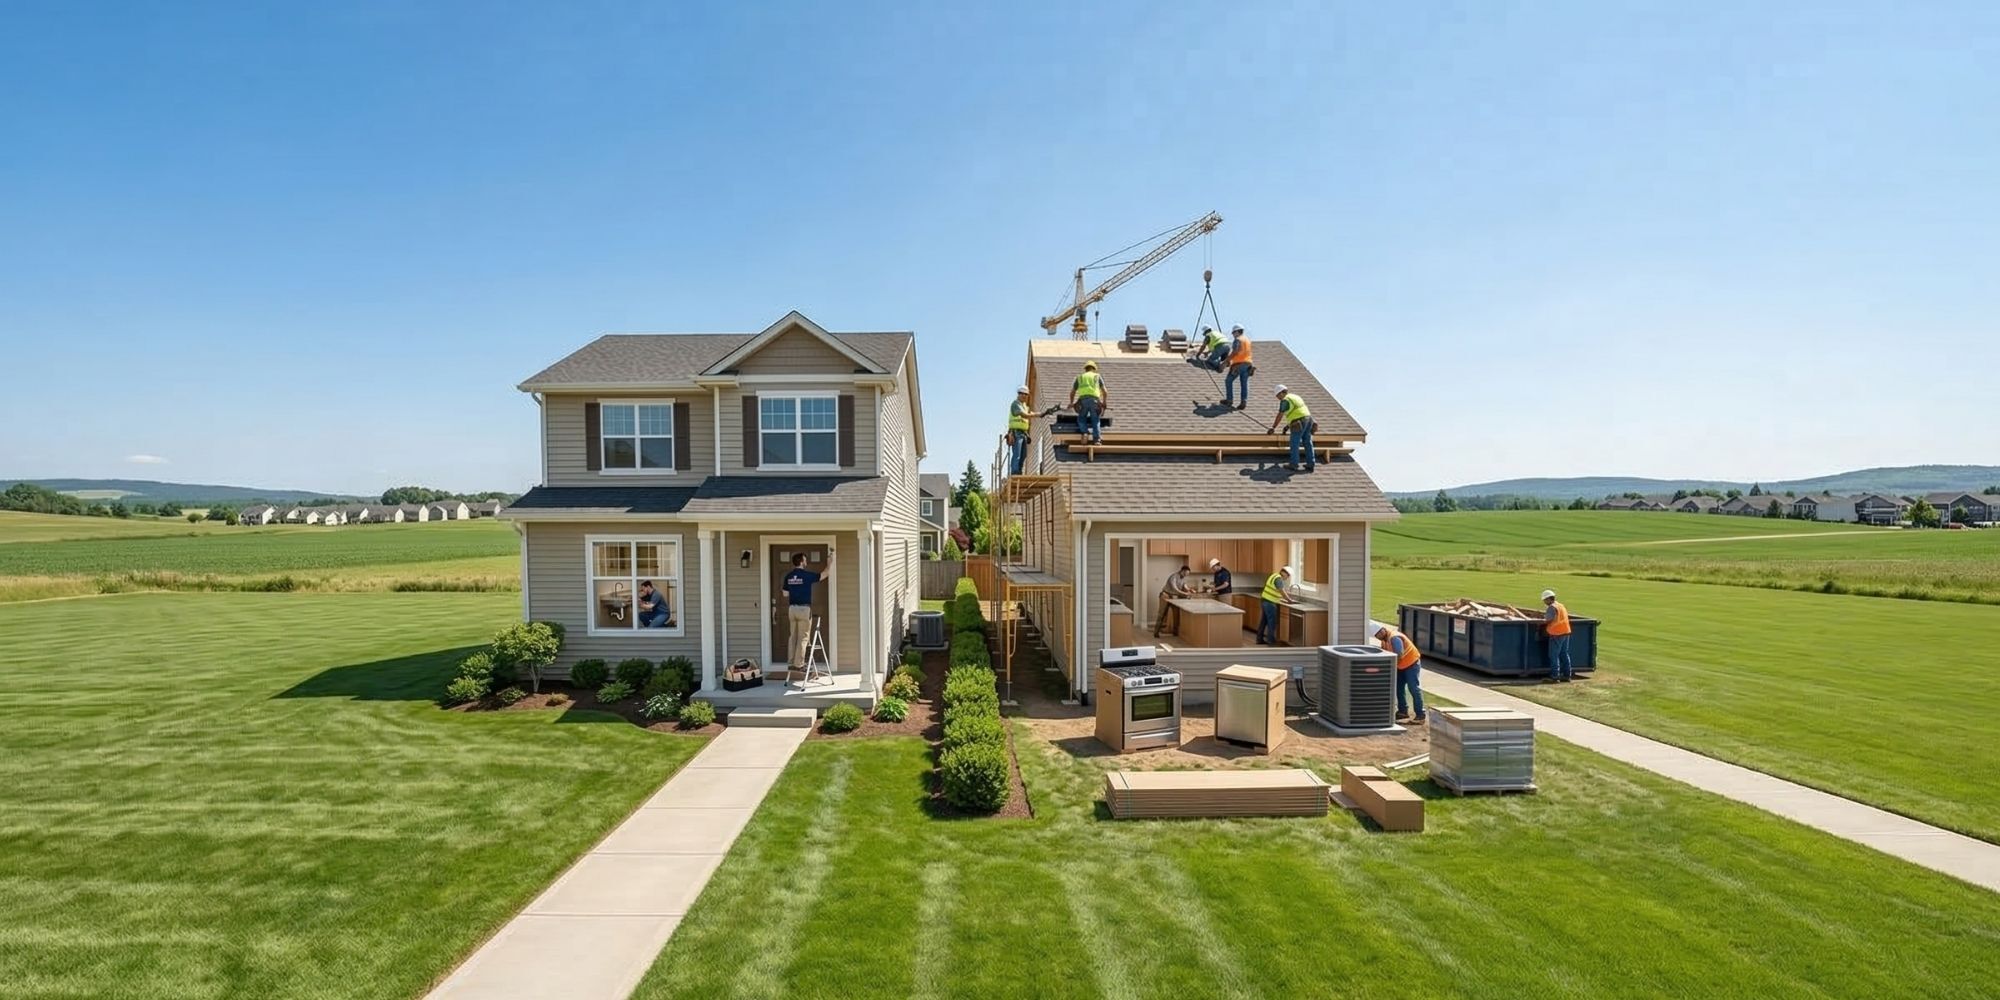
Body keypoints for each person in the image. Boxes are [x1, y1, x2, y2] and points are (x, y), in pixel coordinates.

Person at [782, 552, 831, 673]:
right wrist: (830, 563)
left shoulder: (788, 576)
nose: (806, 562)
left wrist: (795, 589)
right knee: (803, 637)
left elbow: (785, 593)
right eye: (805, 560)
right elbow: (824, 574)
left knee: (793, 636)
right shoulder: (806, 575)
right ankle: (799, 665)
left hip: (792, 609)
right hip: (803, 609)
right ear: (801, 562)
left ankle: (791, 662)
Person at [1376, 624, 1426, 724]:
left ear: (1383, 631)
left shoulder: (1394, 638)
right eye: (1376, 636)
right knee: (1399, 688)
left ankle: (1420, 714)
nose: (1378, 636)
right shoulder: (1384, 641)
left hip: (1411, 664)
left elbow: (1399, 654)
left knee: (1413, 688)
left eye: (1378, 634)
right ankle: (1403, 711)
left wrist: (1392, 665)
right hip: (1400, 666)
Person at [1267, 384, 1315, 472]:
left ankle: (1294, 464)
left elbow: (1280, 415)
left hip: (1298, 422)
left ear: (1281, 393)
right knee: (1307, 442)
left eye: (1278, 396)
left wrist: (1273, 427)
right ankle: (1311, 463)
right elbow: (1297, 412)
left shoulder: (1285, 400)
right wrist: (1287, 426)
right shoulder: (1295, 397)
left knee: (1294, 443)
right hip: (1309, 420)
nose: (1278, 398)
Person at [1069, 360, 1108, 445]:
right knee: (1095, 420)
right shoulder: (1097, 376)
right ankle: (1097, 440)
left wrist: (1071, 402)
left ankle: (1085, 432)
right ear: (1094, 369)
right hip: (1095, 401)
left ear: (1085, 369)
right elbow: (1105, 392)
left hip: (1083, 401)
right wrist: (1104, 402)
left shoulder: (1080, 377)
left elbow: (1072, 392)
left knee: (1081, 418)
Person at [1542, 588, 1575, 683]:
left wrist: (1543, 619)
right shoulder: (1560, 605)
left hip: (1556, 633)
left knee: (1553, 655)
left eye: (1545, 600)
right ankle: (1567, 675)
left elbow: (1548, 620)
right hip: (1566, 631)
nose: (1544, 602)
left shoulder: (1552, 607)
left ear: (1548, 599)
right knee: (1564, 654)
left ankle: (1555, 676)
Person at [1257, 565, 1293, 646]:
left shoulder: (1274, 575)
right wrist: (1289, 600)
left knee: (1264, 621)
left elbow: (1274, 590)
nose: (1287, 578)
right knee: (1272, 622)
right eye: (1288, 575)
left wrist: (1281, 598)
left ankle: (1259, 639)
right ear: (1284, 573)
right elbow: (1281, 591)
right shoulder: (1278, 579)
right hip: (1270, 603)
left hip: (1264, 600)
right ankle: (1271, 642)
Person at [1154, 564, 1192, 637]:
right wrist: (1185, 593)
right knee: (1162, 614)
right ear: (1182, 571)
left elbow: (1184, 585)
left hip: (1174, 597)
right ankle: (1156, 633)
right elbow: (1175, 589)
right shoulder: (1173, 577)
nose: (1186, 575)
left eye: (1187, 574)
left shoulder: (1183, 578)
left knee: (1176, 614)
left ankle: (1175, 632)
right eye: (1185, 573)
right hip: (1165, 596)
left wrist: (1189, 589)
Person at [1005, 385, 1033, 476]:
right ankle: (1014, 472)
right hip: (1016, 432)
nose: (1024, 396)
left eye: (1026, 394)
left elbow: (1029, 414)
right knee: (1017, 454)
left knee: (1023, 455)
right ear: (1018, 394)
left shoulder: (1025, 407)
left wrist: (1042, 413)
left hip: (1023, 433)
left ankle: (1019, 472)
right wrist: (1037, 415)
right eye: (1022, 394)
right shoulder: (1015, 404)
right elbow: (1024, 415)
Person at [1223, 326, 1253, 409]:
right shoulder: (1247, 340)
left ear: (1237, 332)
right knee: (1244, 383)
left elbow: (1235, 352)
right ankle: (1244, 401)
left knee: (1228, 380)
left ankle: (1229, 400)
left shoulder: (1238, 340)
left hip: (1238, 365)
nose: (1232, 334)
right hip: (1248, 364)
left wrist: (1226, 361)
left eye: (1233, 332)